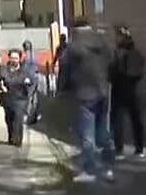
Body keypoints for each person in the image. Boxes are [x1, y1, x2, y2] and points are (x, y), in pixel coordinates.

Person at [58, 20, 116, 183]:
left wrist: (61, 91)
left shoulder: (73, 47)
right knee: (104, 132)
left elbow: (65, 70)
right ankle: (108, 168)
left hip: (84, 94)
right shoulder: (104, 45)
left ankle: (90, 169)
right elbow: (113, 64)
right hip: (104, 93)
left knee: (87, 135)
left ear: (75, 30)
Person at [111, 26, 146, 158]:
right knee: (136, 120)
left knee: (118, 121)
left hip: (119, 90)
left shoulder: (117, 53)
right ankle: (139, 148)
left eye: (117, 36)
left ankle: (119, 149)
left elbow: (111, 72)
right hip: (134, 90)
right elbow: (141, 69)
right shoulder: (137, 53)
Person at [0, 49, 33, 147]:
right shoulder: (4, 69)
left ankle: (17, 141)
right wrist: (1, 86)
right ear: (9, 58)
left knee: (18, 119)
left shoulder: (24, 71)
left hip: (20, 99)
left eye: (16, 58)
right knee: (9, 119)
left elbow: (32, 82)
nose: (14, 60)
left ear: (19, 59)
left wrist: (28, 83)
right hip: (7, 98)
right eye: (12, 58)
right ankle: (11, 137)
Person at [21, 40, 42, 124]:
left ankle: (29, 116)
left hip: (30, 79)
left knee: (28, 97)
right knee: (35, 98)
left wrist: (25, 78)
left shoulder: (27, 57)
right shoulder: (35, 55)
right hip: (36, 77)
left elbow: (26, 69)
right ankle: (36, 114)